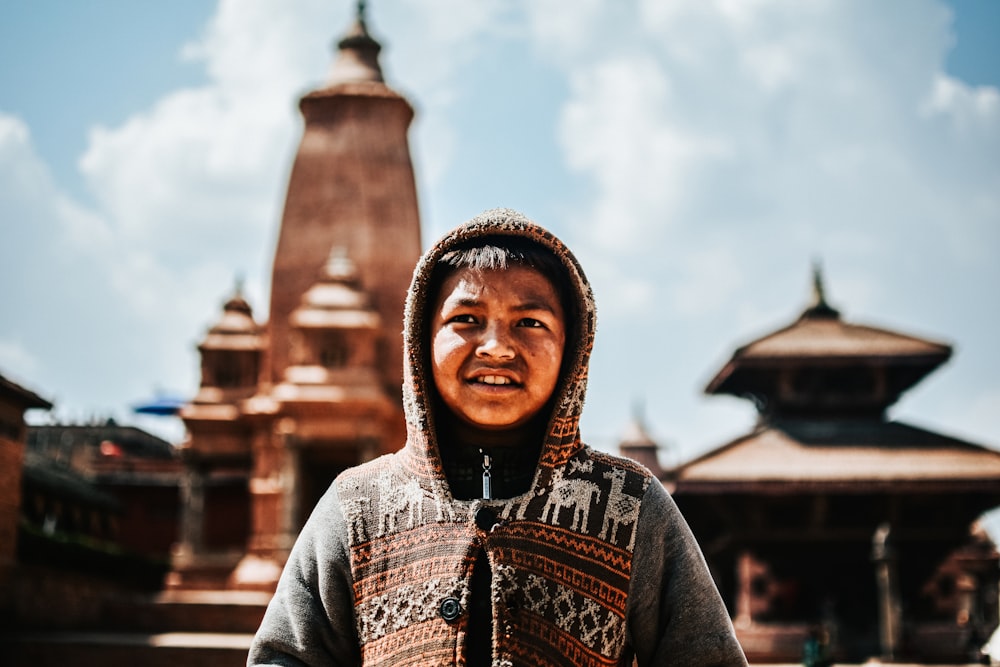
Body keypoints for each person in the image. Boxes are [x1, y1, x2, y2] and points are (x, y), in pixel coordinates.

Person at [248, 208, 748, 666]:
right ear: (421, 341)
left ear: (573, 349)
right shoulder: (357, 505)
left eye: (529, 322)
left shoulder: (630, 506)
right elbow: (285, 658)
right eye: (466, 320)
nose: (496, 348)